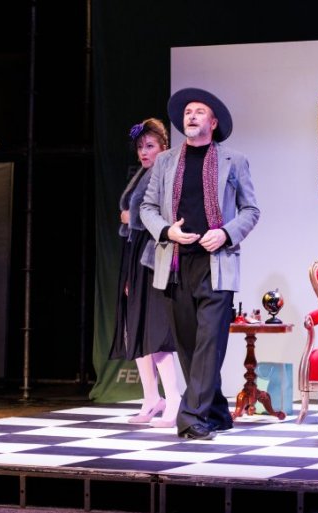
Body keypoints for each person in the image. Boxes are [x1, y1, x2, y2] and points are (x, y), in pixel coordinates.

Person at [140, 88, 260, 440]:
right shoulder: (165, 161)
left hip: (216, 263)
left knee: (209, 343)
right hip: (176, 265)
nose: (191, 116)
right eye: (187, 112)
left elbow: (251, 210)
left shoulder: (233, 160)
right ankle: (217, 411)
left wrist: (225, 233)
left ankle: (191, 418)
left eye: (199, 111)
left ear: (213, 122)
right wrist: (167, 231)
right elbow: (147, 208)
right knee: (190, 346)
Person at [109, 118, 182, 429]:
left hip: (154, 255)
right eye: (140, 147)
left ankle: (174, 398)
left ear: (163, 147)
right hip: (134, 254)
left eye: (150, 146)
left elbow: (163, 216)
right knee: (135, 327)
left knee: (156, 330)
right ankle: (151, 397)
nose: (144, 152)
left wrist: (132, 218)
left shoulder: (166, 174)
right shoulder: (143, 174)